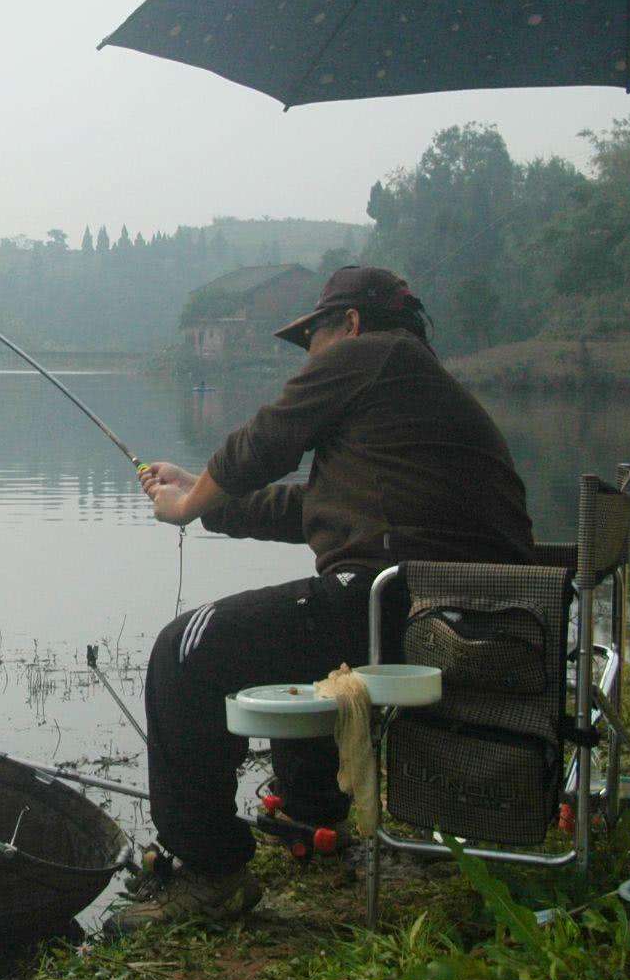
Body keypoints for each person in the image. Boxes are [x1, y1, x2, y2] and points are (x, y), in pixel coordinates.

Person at [111, 266, 535, 926]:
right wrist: (204, 495)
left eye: (313, 336)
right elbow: (315, 507)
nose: (309, 356)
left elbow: (266, 442)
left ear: (351, 324)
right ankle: (312, 815)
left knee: (183, 653)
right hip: (459, 613)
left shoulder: (375, 354)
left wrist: (188, 505)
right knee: (304, 629)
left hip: (397, 607)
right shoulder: (413, 394)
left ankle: (211, 871)